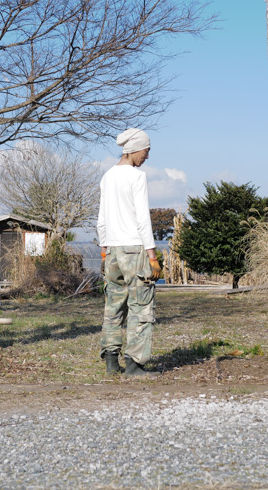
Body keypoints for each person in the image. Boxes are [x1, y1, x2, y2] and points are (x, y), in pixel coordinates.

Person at [97, 128, 161, 377]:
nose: (147, 156)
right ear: (135, 148)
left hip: (112, 249)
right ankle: (134, 366)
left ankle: (111, 364)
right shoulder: (137, 177)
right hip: (135, 249)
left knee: (113, 307)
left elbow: (101, 219)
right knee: (141, 308)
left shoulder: (107, 177)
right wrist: (153, 257)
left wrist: (104, 251)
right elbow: (143, 219)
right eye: (146, 150)